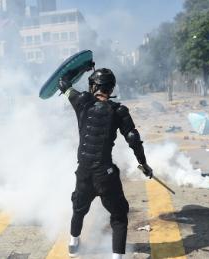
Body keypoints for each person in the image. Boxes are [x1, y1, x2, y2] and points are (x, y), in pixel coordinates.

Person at [58, 67, 153, 259]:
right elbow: (133, 138)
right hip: (105, 175)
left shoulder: (81, 101)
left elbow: (63, 83)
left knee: (78, 208)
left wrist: (81, 67)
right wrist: (143, 164)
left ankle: (73, 245)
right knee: (118, 217)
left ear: (94, 86)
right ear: (110, 89)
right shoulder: (119, 111)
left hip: (83, 172)